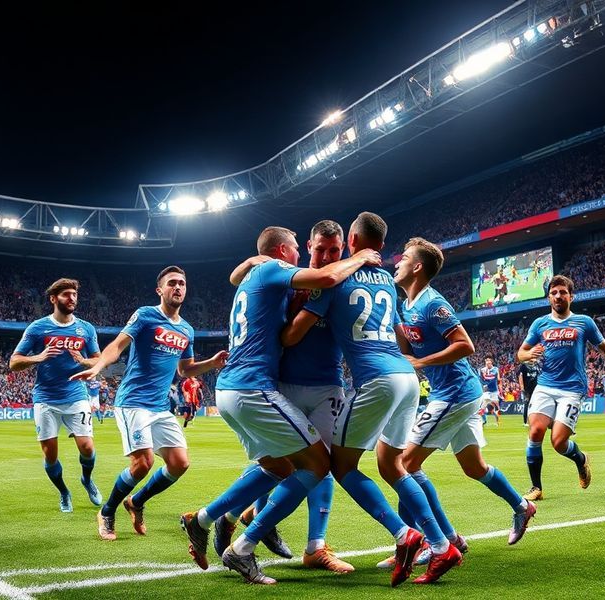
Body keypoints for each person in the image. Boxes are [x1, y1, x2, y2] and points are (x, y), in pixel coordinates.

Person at [180, 225, 382, 585]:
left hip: (242, 388)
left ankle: (206, 519)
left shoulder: (267, 275)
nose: (318, 257)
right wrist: (361, 256)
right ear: (291, 250)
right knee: (317, 462)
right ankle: (243, 544)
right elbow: (322, 279)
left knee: (278, 468)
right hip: (255, 387)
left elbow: (241, 276)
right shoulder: (280, 272)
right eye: (313, 250)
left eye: (335, 251)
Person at [281, 213, 461, 586]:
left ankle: (404, 535)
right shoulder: (387, 281)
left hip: (375, 380)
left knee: (341, 467)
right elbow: (400, 335)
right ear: (380, 245)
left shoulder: (335, 280)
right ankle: (443, 548)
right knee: (392, 466)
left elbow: (292, 337)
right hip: (406, 378)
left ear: (351, 240)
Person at [374, 237, 534, 580]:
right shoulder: (407, 304)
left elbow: (465, 344)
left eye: (403, 258)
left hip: (455, 393)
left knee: (404, 464)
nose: (397, 263)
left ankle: (440, 540)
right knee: (474, 467)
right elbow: (406, 345)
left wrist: (421, 360)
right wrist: (394, 325)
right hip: (457, 392)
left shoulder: (433, 303)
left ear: (417, 267)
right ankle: (522, 506)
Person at [219, 219, 355, 574]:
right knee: (287, 464)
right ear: (307, 247)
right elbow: (245, 281)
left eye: (334, 251)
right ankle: (239, 519)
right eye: (319, 249)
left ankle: (316, 546)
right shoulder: (290, 279)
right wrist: (252, 261)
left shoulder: (343, 282)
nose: (326, 256)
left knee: (317, 464)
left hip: (328, 385)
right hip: (281, 385)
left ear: (342, 250)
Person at [70, 266, 227, 541]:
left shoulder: (187, 330)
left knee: (179, 463)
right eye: (172, 283)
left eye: (182, 283)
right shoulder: (145, 315)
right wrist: (98, 367)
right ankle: (107, 511)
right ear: (160, 290)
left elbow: (185, 370)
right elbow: (118, 345)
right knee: (144, 462)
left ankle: (137, 501)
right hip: (133, 402)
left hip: (159, 407)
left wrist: (212, 363)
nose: (178, 288)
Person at [517, 275, 605, 502]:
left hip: (572, 388)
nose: (558, 296)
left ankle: (580, 459)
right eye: (554, 293)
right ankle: (536, 487)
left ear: (571, 296)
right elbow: (521, 353)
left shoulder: (584, 322)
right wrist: (529, 354)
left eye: (562, 292)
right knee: (535, 431)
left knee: (558, 443)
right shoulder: (540, 324)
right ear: (549, 297)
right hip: (545, 385)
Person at [9, 278, 103, 512]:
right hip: (45, 398)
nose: (72, 298)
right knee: (50, 455)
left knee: (88, 448)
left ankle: (87, 480)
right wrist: (38, 357)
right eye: (66, 295)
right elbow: (14, 362)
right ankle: (63, 492)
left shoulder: (86, 328)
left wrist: (83, 361)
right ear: (53, 299)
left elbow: (99, 360)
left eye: (74, 294)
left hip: (76, 395)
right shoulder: (38, 327)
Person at [479, 356, 502, 427]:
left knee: (496, 408)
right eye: (486, 361)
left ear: (491, 362)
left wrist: (500, 389)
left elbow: (498, 379)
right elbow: (481, 379)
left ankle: (498, 421)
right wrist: (484, 385)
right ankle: (483, 421)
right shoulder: (482, 370)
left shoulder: (495, 369)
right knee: (482, 406)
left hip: (494, 391)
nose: (488, 362)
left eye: (489, 360)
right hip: (486, 391)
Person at [517, 360, 540, 426]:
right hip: (527, 389)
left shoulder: (536, 365)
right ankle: (525, 422)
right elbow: (520, 376)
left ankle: (535, 420)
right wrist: (522, 387)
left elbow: (539, 375)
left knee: (536, 404)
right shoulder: (524, 366)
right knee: (527, 404)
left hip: (536, 388)